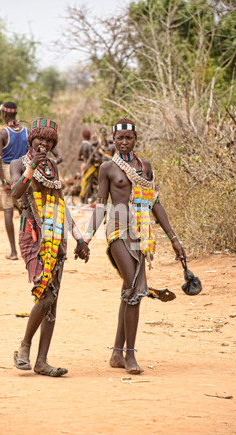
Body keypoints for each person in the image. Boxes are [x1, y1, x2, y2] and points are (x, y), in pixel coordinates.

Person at [83, 119, 186, 374]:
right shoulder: (107, 167)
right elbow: (100, 204)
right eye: (120, 138)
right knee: (134, 288)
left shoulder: (144, 167)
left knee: (129, 293)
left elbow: (156, 203)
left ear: (135, 138)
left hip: (141, 234)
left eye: (129, 138)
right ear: (113, 140)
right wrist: (86, 238)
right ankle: (130, 355)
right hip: (116, 230)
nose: (124, 142)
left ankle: (118, 353)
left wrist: (173, 238)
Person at [10, 118, 89, 377]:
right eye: (39, 139)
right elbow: (15, 191)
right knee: (44, 294)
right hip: (32, 235)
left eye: (48, 140)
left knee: (52, 300)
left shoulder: (53, 167)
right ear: (31, 140)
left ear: (53, 144)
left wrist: (79, 239)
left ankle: (42, 361)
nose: (43, 143)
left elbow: (61, 204)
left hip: (56, 236)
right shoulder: (19, 163)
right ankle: (24, 346)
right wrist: (32, 165)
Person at [0, 101, 28, 260]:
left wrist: (3, 182)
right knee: (25, 210)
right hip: (22, 172)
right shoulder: (26, 131)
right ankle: (27, 247)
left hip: (7, 171)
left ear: (5, 115)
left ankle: (14, 252)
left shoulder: (3, 133)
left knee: (8, 211)